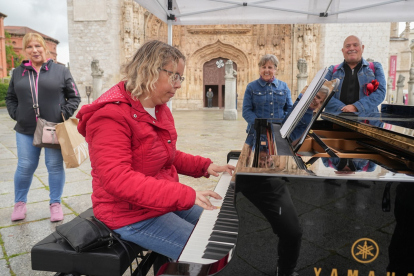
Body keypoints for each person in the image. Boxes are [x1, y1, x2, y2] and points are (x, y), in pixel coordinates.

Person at [76, 40, 234, 261]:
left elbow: (165, 155)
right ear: (149, 70)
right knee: (209, 252)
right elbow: (117, 180)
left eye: (181, 77)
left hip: (158, 201)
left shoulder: (158, 108)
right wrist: (185, 194)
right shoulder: (110, 117)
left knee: (219, 227)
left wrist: (205, 166)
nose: (179, 85)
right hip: (129, 214)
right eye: (175, 76)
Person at [5, 33, 80, 222]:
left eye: (37, 46)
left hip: (53, 127)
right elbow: (10, 98)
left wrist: (62, 112)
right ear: (25, 50)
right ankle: (19, 204)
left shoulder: (61, 71)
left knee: (54, 166)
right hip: (26, 129)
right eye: (29, 47)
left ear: (45, 48)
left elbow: (75, 97)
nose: (34, 50)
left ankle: (55, 204)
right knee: (25, 166)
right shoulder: (17, 72)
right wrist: (17, 114)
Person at [324, 35, 386, 114]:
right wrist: (343, 109)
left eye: (355, 45)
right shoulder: (332, 70)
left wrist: (357, 107)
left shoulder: (375, 67)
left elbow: (380, 92)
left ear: (362, 48)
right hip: (336, 121)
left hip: (366, 123)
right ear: (343, 50)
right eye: (348, 46)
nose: (352, 48)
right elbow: (322, 93)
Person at [243, 54, 293, 146]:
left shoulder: (284, 86)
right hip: (256, 134)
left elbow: (290, 109)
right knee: (256, 159)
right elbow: (246, 111)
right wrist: (260, 126)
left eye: (270, 67)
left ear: (275, 69)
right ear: (259, 69)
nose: (266, 70)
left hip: (279, 134)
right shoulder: (251, 87)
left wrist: (282, 124)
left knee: (279, 160)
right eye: (263, 67)